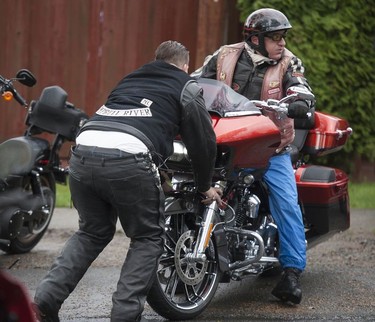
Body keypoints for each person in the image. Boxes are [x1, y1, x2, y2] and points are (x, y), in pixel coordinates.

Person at [33, 40, 222, 322]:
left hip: (82, 155)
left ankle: (45, 300)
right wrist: (206, 184)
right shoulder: (186, 85)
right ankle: (125, 315)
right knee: (147, 237)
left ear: (156, 60)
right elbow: (203, 142)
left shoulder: (130, 80)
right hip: (129, 159)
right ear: (185, 66)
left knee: (92, 232)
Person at [192, 8, 315, 304]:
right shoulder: (224, 55)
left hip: (270, 146)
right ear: (256, 39)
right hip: (227, 141)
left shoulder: (289, 62)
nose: (282, 43)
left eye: (283, 36)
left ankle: (291, 273)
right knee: (192, 183)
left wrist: (300, 100)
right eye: (275, 37)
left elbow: (302, 87)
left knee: (286, 201)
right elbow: (194, 80)